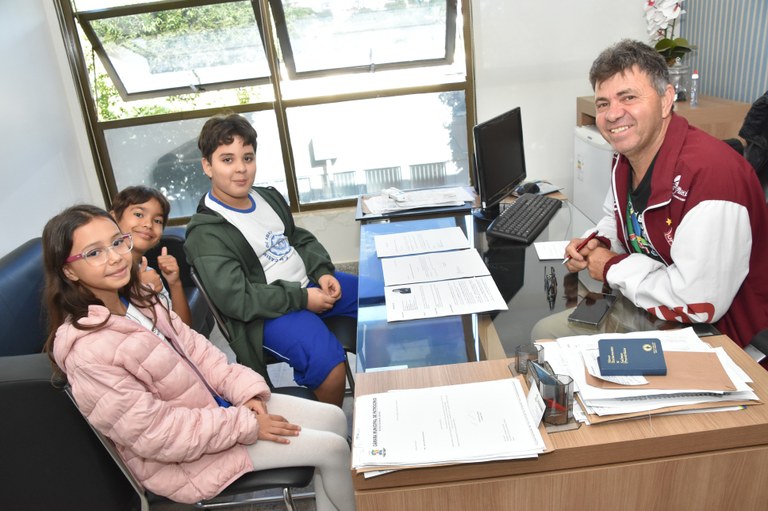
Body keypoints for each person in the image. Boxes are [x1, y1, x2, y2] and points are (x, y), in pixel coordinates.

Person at [41, 204, 355, 510]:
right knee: (332, 448)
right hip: (184, 458)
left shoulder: (141, 299)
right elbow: (155, 434)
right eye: (94, 253)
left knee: (335, 419)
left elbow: (202, 353)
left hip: (220, 412)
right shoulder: (87, 350)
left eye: (116, 243)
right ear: (68, 270)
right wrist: (244, 424)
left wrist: (245, 393)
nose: (114, 257)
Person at [561, 39, 768, 350]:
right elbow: (617, 218)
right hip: (656, 318)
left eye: (628, 97)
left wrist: (610, 266)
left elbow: (696, 301)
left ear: (666, 99)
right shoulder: (627, 158)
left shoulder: (712, 178)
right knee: (551, 338)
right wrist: (597, 243)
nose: (612, 114)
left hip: (726, 344)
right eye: (603, 103)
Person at [184, 113, 358, 406]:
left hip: (309, 285)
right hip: (267, 314)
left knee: (382, 297)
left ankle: (393, 385)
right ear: (207, 166)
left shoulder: (267, 197)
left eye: (247, 158)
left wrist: (322, 272)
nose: (241, 168)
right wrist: (302, 299)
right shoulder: (205, 233)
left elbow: (298, 239)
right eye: (227, 160)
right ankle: (332, 429)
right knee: (329, 365)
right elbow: (237, 299)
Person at [110, 186, 192, 326]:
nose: (148, 224)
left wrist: (174, 282)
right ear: (113, 218)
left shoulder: (149, 273)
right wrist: (136, 290)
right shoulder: (103, 270)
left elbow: (184, 329)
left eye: (158, 221)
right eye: (139, 214)